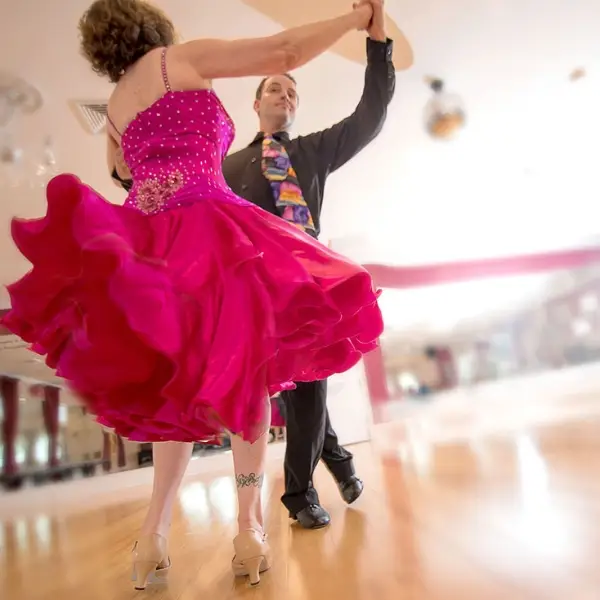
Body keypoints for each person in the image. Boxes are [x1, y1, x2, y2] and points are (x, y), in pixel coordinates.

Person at [1, 0, 384, 590]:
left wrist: (159, 181)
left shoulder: (117, 111)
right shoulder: (175, 60)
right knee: (247, 375)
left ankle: (152, 540)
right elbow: (284, 53)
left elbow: (123, 176)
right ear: (150, 24)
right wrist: (353, 20)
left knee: (172, 396)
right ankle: (248, 531)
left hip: (147, 247)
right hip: (208, 232)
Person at [221, 6, 395, 529]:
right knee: (301, 387)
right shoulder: (225, 168)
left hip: (308, 280)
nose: (286, 95)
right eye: (276, 88)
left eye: (293, 92)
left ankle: (298, 495)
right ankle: (338, 460)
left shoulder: (313, 151)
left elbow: (371, 112)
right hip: (255, 290)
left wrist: (378, 44)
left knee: (308, 385)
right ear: (256, 102)